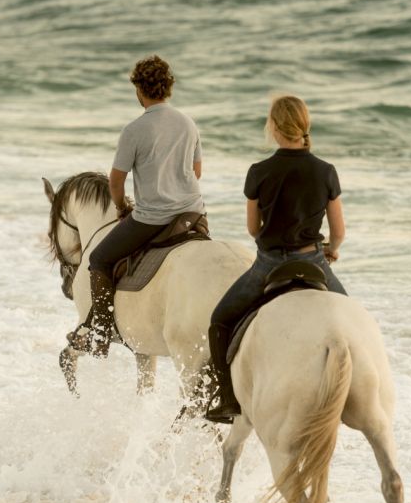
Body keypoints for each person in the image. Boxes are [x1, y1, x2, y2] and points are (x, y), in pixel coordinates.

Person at [205, 94, 347, 423]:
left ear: (273, 127)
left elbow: (253, 228)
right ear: (304, 126)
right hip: (313, 261)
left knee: (220, 320)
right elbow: (338, 230)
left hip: (269, 263)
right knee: (350, 322)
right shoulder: (326, 171)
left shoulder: (259, 171)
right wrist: (331, 249)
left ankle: (226, 399)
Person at [70, 55, 205, 358]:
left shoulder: (134, 130)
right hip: (194, 215)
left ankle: (101, 333)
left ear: (139, 90)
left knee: (101, 259)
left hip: (153, 219)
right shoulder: (187, 123)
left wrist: (121, 208)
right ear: (168, 88)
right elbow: (196, 171)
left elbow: (116, 182)